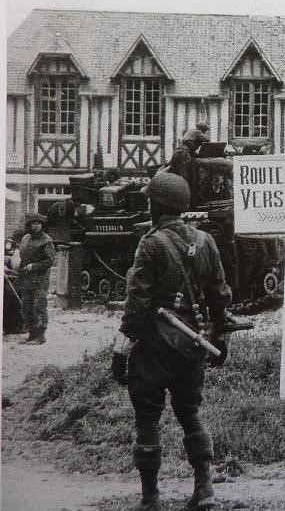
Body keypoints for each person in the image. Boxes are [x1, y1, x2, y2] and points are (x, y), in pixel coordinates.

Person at [110, 172, 232, 511]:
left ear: (157, 206)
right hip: (193, 344)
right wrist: (220, 336)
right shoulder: (206, 241)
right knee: (190, 413)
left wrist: (121, 353)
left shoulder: (150, 243)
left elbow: (136, 308)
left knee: (148, 419)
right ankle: (205, 489)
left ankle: (150, 498)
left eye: (151, 201)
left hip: (153, 347)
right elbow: (220, 295)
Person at [17, 214, 56, 345]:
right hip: (26, 278)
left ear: (42, 225)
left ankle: (40, 336)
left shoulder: (47, 241)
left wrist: (33, 266)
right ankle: (31, 334)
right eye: (32, 223)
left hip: (40, 279)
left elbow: (49, 261)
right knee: (26, 306)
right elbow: (22, 257)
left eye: (38, 223)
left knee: (38, 305)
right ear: (28, 225)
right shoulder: (25, 239)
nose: (35, 226)